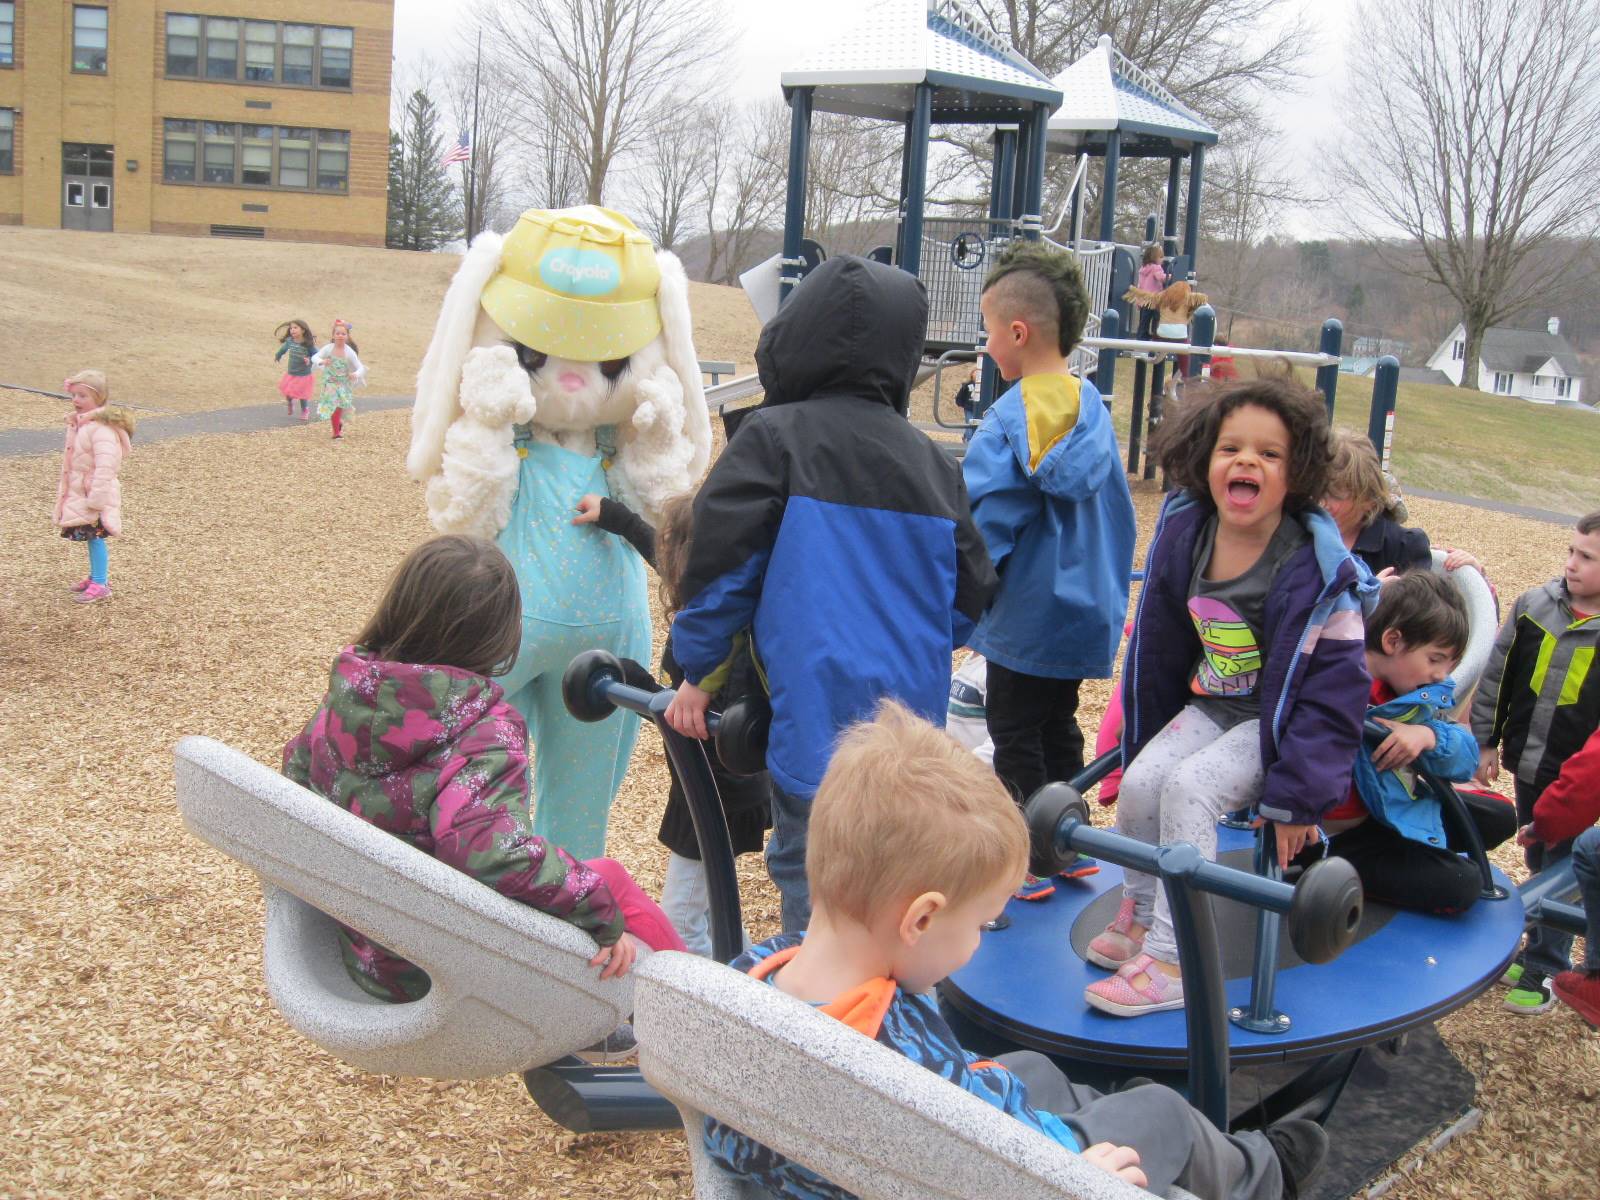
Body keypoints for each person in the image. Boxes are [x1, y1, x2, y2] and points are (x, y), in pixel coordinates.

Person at [704, 701, 1329, 1200]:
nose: (977, 942)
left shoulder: (755, 973)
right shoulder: (902, 1084)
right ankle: (1263, 1172)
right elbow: (1002, 1167)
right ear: (921, 918)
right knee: (1162, 1113)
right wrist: (1084, 1182)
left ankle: (1119, 1109)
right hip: (1024, 1165)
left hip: (884, 1152)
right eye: (978, 923)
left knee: (1032, 1068)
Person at [664, 255, 996, 934]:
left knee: (813, 886)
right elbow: (968, 600)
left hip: (814, 728)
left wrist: (699, 671)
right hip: (907, 736)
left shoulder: (774, 439)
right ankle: (881, 1017)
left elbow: (720, 572)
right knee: (892, 889)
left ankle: (816, 1020)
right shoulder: (933, 462)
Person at [282, 534, 684, 1008]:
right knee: (606, 884)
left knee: (590, 880)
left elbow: (295, 776)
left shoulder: (349, 691)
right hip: (437, 966)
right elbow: (489, 853)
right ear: (500, 632)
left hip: (364, 941)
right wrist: (598, 913)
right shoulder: (482, 727)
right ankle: (694, 1012)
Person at [1085, 373, 1376, 1018]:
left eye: (1269, 454)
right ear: (1204, 459)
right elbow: (1158, 643)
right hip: (1210, 704)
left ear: (1296, 472)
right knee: (1142, 780)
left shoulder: (1318, 571)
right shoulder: (1188, 535)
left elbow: (1335, 697)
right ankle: (1140, 908)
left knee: (1190, 788)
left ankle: (1174, 958)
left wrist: (1298, 798)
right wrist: (1143, 732)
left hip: (1274, 725)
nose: (1247, 461)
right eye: (1231, 448)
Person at [962, 240, 1136, 809]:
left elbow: (984, 532)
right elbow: (1119, 518)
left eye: (989, 331)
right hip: (1084, 610)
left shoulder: (1004, 426)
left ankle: (1032, 854)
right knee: (1059, 725)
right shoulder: (1095, 413)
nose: (986, 347)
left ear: (1017, 333)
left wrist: (959, 605)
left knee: (1012, 730)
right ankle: (1070, 842)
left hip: (1025, 618)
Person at [574, 490, 772, 957]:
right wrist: (616, 516)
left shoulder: (727, 641)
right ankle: (751, 979)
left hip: (715, 789)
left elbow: (693, 717)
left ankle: (705, 1007)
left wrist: (630, 679)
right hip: (708, 784)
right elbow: (655, 546)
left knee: (682, 917)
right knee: (712, 903)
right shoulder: (713, 600)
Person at [1308, 571, 1515, 913]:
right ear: (1392, 641)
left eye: (1451, 664)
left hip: (1386, 814)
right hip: (1338, 838)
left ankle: (1411, 854)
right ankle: (1342, 874)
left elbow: (1465, 755)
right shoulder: (1334, 684)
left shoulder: (1411, 696)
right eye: (1435, 659)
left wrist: (1428, 735)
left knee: (1501, 815)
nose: (1442, 675)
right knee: (1462, 884)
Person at [1472, 510, 1600, 1014]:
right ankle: (1533, 948)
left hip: (1578, 779)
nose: (1571, 564)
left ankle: (1547, 965)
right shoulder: (1533, 607)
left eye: (1587, 558)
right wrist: (1484, 741)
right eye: (1571, 551)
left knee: (1564, 867)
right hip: (1529, 763)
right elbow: (1495, 677)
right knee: (1537, 858)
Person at [1517, 724, 1600, 1026]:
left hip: (1563, 782)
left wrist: (1547, 824)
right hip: (1538, 762)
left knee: (1590, 847)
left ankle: (1585, 973)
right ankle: (1535, 949)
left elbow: (1589, 777)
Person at [1322, 431, 1484, 581]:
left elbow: (1417, 609)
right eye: (1317, 490)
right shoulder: (1304, 531)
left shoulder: (1403, 547)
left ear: (1368, 500)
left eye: (1334, 495)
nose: (1322, 502)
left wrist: (1374, 597)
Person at [55, 369, 134, 606]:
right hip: (85, 492)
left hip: (95, 495)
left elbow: (106, 465)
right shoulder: (83, 424)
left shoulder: (100, 428)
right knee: (91, 538)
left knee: (96, 537)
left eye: (83, 396)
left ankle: (100, 583)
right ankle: (95, 576)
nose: (76, 401)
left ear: (98, 399)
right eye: (75, 395)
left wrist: (96, 498)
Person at [310, 318, 366, 440]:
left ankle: (338, 423)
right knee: (333, 406)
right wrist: (322, 361)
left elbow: (360, 367)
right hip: (330, 383)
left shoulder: (349, 351)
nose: (340, 336)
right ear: (333, 335)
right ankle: (336, 433)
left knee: (340, 406)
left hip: (344, 384)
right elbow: (314, 357)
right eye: (338, 333)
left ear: (347, 336)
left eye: (343, 334)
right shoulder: (328, 348)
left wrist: (355, 374)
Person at [274, 319, 317, 420]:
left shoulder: (308, 344)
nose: (292, 330)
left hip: (304, 374)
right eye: (291, 328)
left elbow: (317, 355)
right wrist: (278, 355)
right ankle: (290, 403)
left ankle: (305, 410)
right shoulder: (290, 341)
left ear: (303, 330)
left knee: (302, 394)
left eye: (295, 328)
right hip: (292, 373)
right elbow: (283, 349)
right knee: (288, 392)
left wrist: (309, 360)